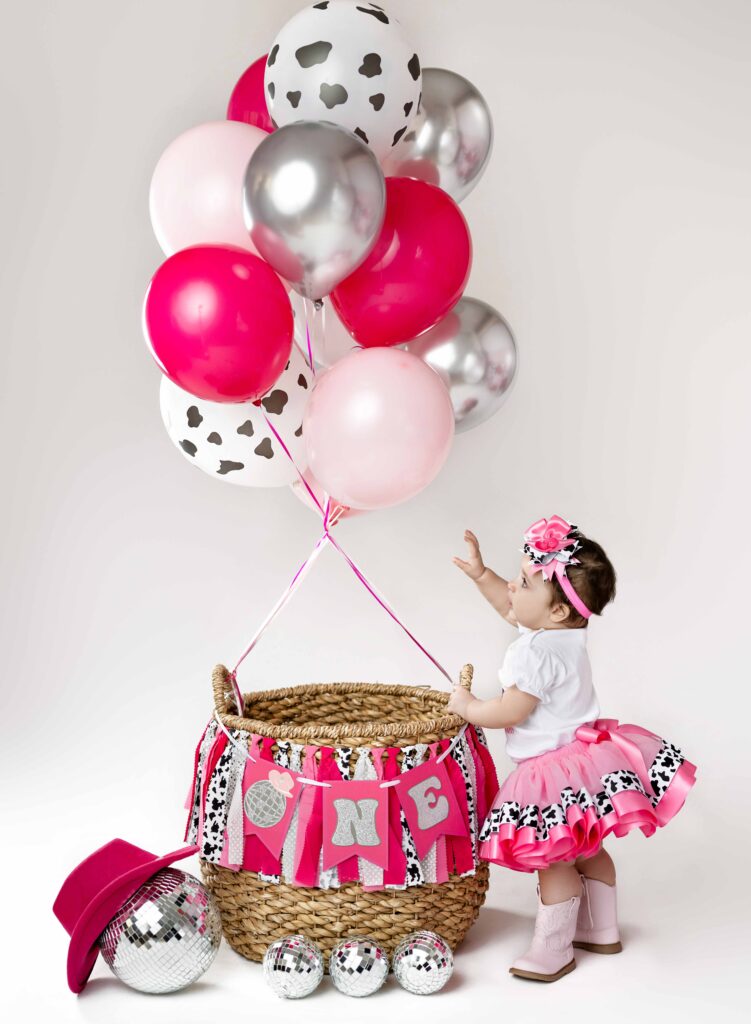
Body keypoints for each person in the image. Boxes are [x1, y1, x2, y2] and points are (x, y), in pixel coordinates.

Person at [449, 515, 695, 982]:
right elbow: (513, 608)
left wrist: (468, 705)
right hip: (585, 762)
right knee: (588, 846)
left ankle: (553, 948)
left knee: (554, 859)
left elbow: (510, 711)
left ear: (557, 610)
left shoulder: (534, 652)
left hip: (549, 772)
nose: (512, 587)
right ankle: (601, 928)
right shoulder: (566, 636)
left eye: (522, 581)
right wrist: (483, 575)